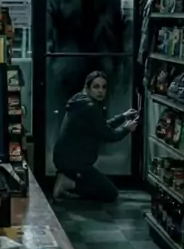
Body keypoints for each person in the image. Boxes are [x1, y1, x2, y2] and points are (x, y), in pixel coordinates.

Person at [52, 70, 138, 203]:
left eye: (104, 87)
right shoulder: (90, 107)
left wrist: (122, 117)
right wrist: (127, 129)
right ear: (88, 88)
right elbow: (109, 135)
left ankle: (68, 179)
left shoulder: (80, 100)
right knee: (110, 193)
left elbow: (100, 127)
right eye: (96, 87)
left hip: (66, 159)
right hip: (75, 162)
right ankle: (68, 183)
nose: (100, 91)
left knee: (101, 187)